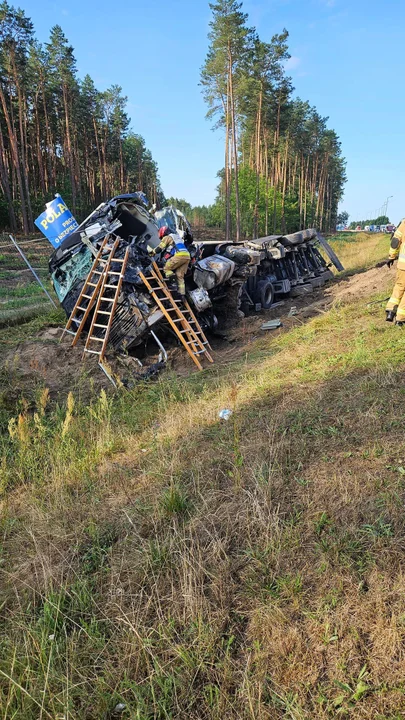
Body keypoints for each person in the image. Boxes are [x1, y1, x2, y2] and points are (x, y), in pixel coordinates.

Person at [151, 226, 191, 298]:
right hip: (187, 256)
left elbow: (160, 248)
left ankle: (173, 285)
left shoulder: (168, 237)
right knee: (180, 275)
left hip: (180, 255)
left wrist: (152, 252)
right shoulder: (176, 237)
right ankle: (182, 295)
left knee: (166, 268)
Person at [385, 219, 405, 324]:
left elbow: (395, 240)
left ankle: (390, 311)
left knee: (399, 286)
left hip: (402, 264)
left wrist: (391, 256)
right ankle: (401, 319)